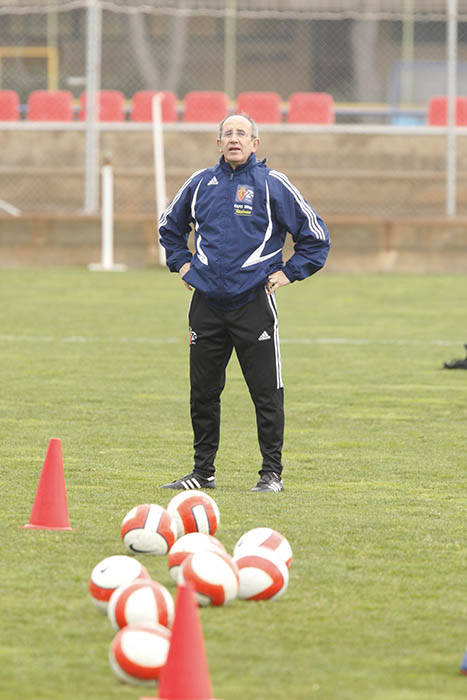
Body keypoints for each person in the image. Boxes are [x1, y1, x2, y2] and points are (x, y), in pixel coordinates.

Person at [158, 113, 330, 492]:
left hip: (253, 304)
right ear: (218, 144)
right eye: (227, 133)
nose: (234, 138)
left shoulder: (272, 184)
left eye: (242, 133)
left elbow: (315, 236)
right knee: (202, 393)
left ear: (256, 143)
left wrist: (288, 272)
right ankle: (202, 473)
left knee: (266, 392)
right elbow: (168, 227)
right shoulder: (200, 183)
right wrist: (183, 264)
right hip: (205, 306)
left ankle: (271, 474)